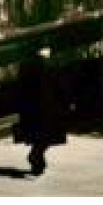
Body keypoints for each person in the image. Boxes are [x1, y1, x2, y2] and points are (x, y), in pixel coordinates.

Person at [15, 46, 67, 176]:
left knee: (42, 136)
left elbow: (20, 87)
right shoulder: (49, 64)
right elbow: (60, 85)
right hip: (46, 107)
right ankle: (36, 158)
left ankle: (36, 159)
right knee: (47, 135)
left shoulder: (27, 65)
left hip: (37, 107)